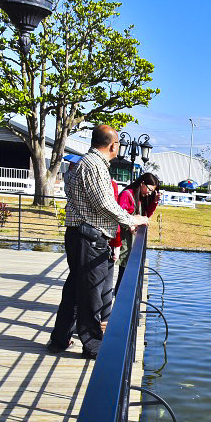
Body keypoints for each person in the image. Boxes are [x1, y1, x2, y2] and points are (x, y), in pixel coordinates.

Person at [48, 125, 147, 359]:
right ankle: (93, 345)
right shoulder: (94, 165)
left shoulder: (88, 163)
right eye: (118, 144)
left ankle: (60, 339)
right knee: (91, 292)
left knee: (74, 289)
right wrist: (130, 219)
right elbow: (104, 203)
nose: (119, 148)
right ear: (113, 145)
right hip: (89, 237)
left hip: (82, 235)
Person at [113, 172, 160, 292]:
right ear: (142, 183)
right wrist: (132, 225)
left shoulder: (139, 197)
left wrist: (154, 201)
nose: (149, 193)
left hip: (132, 240)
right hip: (123, 239)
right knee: (123, 272)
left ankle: (123, 294)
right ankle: (120, 296)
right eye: (149, 189)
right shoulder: (127, 195)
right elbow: (119, 217)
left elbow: (145, 215)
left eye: (152, 191)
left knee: (127, 271)